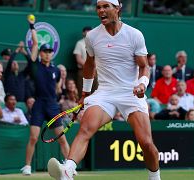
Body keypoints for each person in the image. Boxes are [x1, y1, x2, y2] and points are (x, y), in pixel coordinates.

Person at [47, 1, 161, 180]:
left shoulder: (134, 35)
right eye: (98, 7)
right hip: (105, 93)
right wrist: (85, 93)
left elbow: (144, 66)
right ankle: (67, 171)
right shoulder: (92, 36)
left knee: (146, 143)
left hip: (130, 93)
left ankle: (154, 177)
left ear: (117, 8)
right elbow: (89, 64)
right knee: (85, 129)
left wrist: (142, 85)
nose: (101, 11)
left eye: (105, 6)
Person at [21, 16, 70, 176]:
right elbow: (35, 43)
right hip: (39, 105)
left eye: (49, 52)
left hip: (52, 106)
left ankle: (70, 166)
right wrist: (32, 26)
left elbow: (56, 89)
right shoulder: (35, 65)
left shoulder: (56, 70)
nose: (48, 54)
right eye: (45, 51)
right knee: (34, 137)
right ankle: (27, 166)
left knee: (62, 139)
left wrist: (60, 87)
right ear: (40, 54)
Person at [73, 26, 92, 96]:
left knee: (95, 93)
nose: (88, 33)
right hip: (83, 71)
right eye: (87, 31)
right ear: (83, 33)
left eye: (90, 31)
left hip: (95, 72)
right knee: (83, 93)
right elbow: (78, 59)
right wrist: (89, 67)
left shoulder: (95, 44)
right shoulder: (80, 43)